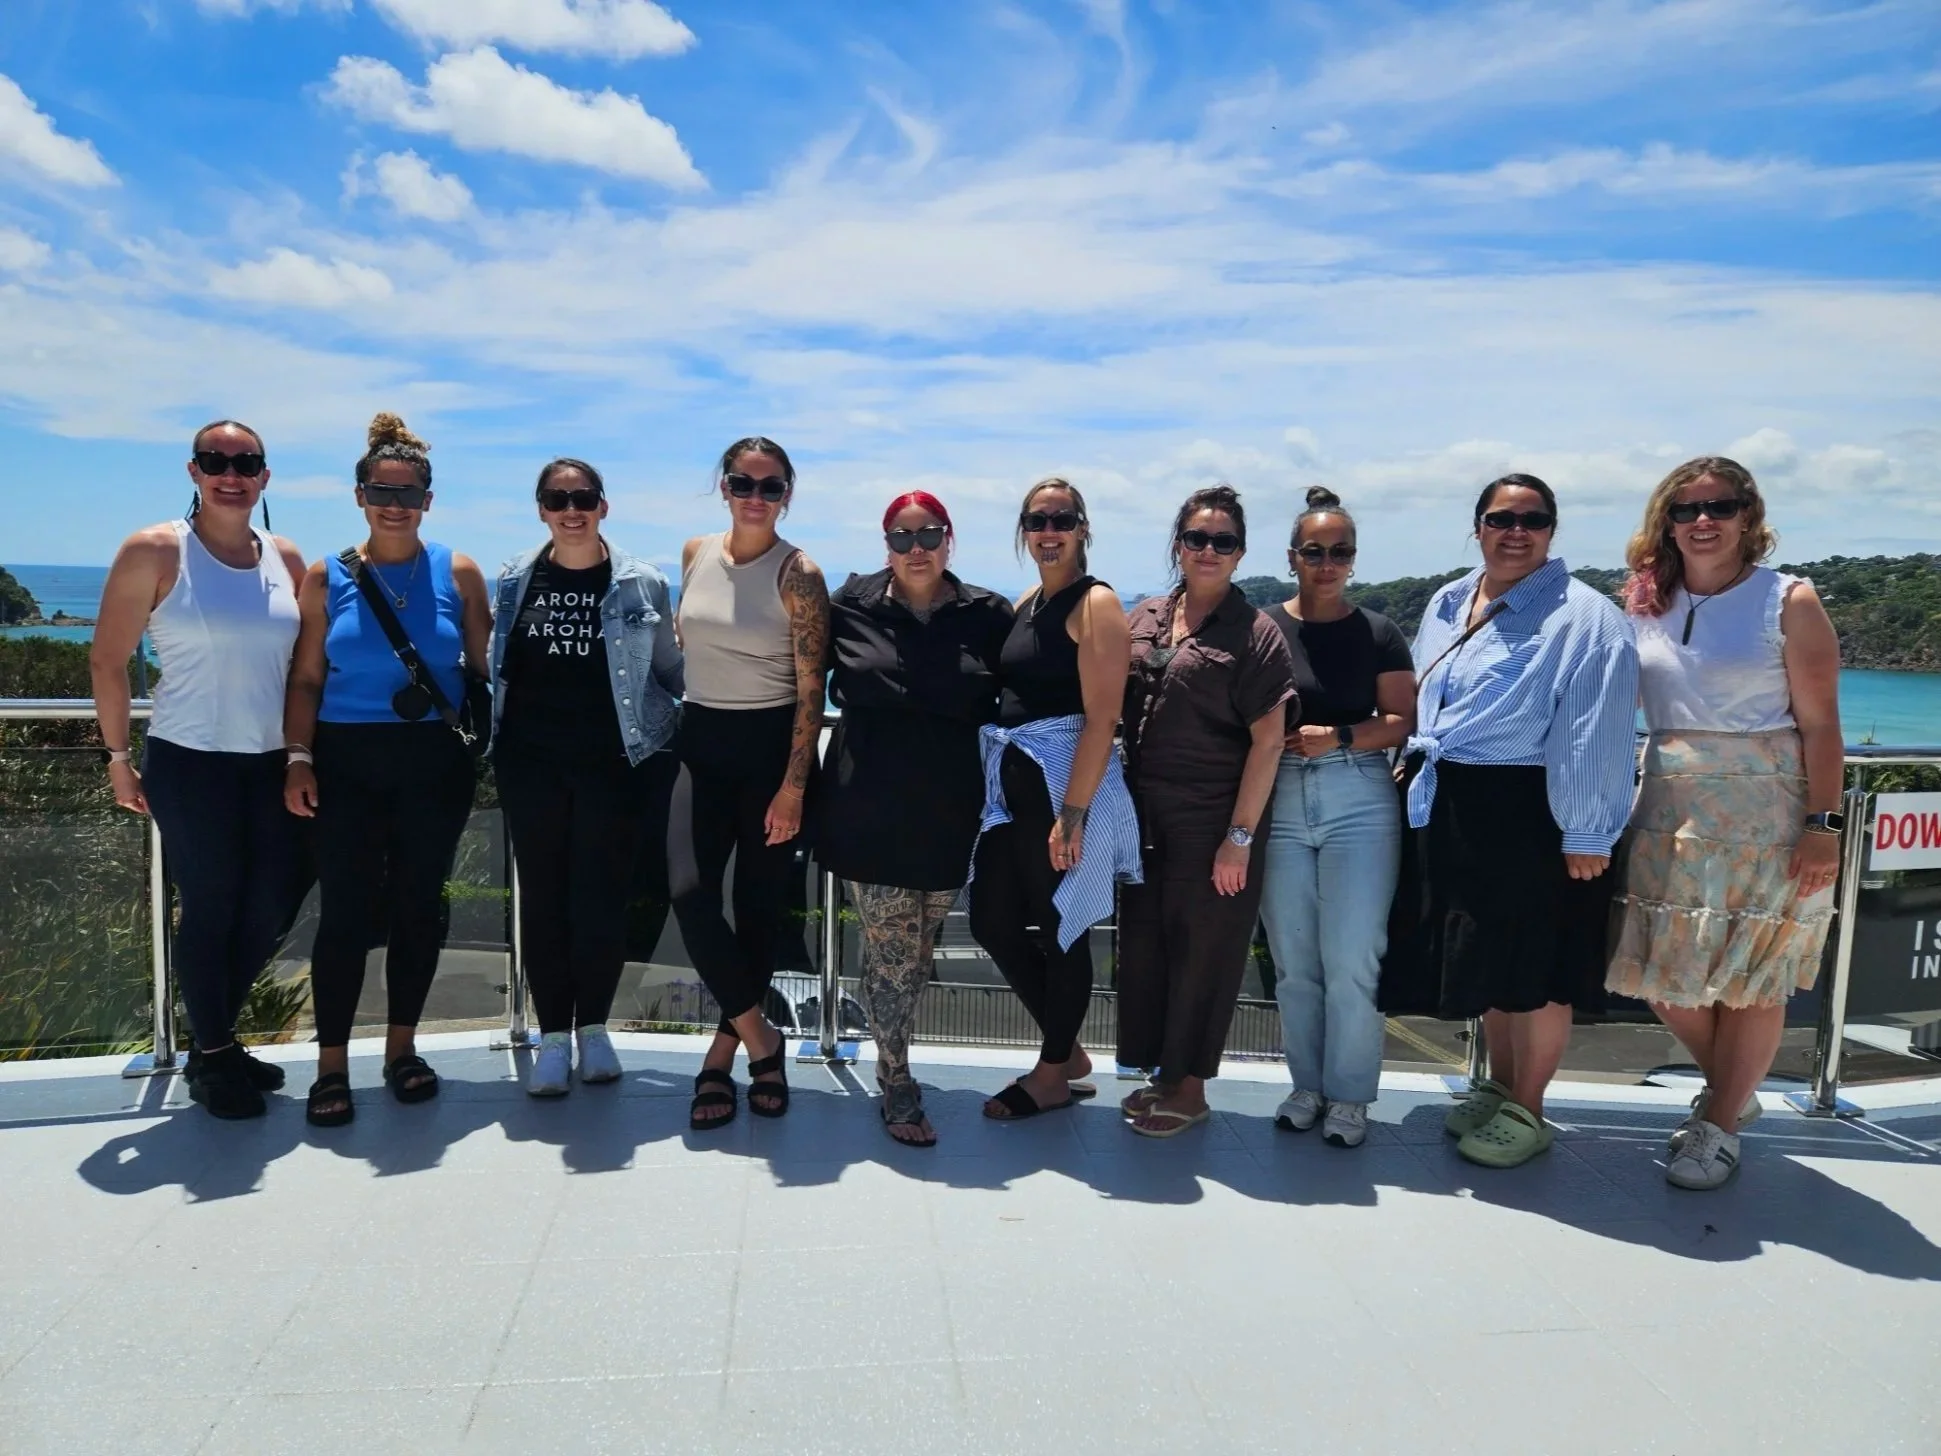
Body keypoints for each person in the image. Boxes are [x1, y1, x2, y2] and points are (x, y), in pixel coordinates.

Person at [1380, 473, 1639, 1169]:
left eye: (1531, 519)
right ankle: (1496, 1085)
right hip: (1455, 799)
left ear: (1552, 530)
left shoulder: (1586, 618)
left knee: (1538, 963)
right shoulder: (1447, 599)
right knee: (1487, 956)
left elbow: (1596, 731)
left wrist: (1586, 831)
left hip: (1534, 807)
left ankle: (1530, 1103)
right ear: (1478, 526)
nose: (1514, 531)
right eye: (1500, 518)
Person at [1608, 457, 1842, 1189]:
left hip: (1765, 804)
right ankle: (1731, 1095)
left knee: (1752, 976)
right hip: (1667, 801)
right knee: (1662, 973)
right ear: (1665, 521)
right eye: (1685, 509)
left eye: (1719, 505)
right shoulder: (1645, 600)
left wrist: (1822, 824)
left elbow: (1822, 724)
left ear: (1748, 516)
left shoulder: (1788, 599)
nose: (1702, 520)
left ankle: (1719, 1124)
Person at [91, 421, 308, 1119]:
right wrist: (119, 758)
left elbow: (309, 666)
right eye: (216, 460)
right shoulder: (155, 550)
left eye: (245, 462)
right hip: (191, 763)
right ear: (193, 470)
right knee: (212, 908)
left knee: (269, 907)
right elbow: (108, 660)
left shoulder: (284, 556)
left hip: (272, 764)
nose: (230, 472)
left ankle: (213, 1040)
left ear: (265, 477)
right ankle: (213, 1056)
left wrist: (307, 755)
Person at [283, 413, 492, 1127]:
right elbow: (306, 680)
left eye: (407, 493)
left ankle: (402, 1049)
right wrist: (298, 758)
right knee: (343, 911)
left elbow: (486, 672)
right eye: (381, 491)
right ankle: (331, 1065)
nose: (394, 505)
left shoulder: (458, 572)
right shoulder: (326, 575)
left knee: (417, 905)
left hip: (433, 761)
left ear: (428, 499)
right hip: (343, 759)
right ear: (359, 495)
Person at [818, 492, 1014, 1146]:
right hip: (866, 804)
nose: (916, 548)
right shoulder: (848, 604)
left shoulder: (986, 613)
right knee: (893, 951)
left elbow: (1022, 694)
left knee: (919, 949)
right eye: (901, 538)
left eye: (928, 534)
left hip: (949, 807)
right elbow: (794, 678)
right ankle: (896, 1080)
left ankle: (891, 1056)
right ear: (885, 545)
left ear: (949, 538)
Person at [491, 459, 684, 1097]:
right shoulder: (516, 580)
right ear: (541, 507)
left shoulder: (642, 583)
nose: (571, 509)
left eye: (584, 498)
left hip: (615, 765)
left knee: (601, 899)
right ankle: (552, 1037)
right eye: (557, 498)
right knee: (545, 898)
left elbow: (669, 672)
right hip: (531, 764)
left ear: (604, 505)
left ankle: (593, 1030)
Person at [1116, 486, 1295, 1137]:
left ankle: (1190, 1089)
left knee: (1205, 955)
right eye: (1196, 538)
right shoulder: (1147, 616)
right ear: (1177, 545)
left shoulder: (1256, 634)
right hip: (1144, 820)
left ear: (1240, 552)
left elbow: (1269, 740)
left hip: (1214, 820)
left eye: (1222, 541)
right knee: (1149, 949)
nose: (1208, 550)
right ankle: (1163, 1076)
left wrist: (1238, 839)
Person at [969, 477, 1138, 1120]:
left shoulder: (1096, 603)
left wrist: (1073, 815)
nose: (1049, 531)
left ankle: (1050, 1073)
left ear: (1082, 529)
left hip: (1061, 790)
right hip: (1014, 792)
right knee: (990, 918)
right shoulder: (1029, 600)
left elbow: (1101, 718)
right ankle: (1066, 1050)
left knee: (1064, 928)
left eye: (1061, 519)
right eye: (1037, 520)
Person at [672, 437, 827, 1129]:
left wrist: (793, 788)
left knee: (759, 910)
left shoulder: (799, 573)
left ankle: (721, 1054)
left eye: (770, 487)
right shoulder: (692, 553)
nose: (755, 497)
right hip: (699, 740)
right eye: (742, 483)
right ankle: (764, 1038)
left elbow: (810, 689)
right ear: (724, 486)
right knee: (689, 893)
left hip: (772, 751)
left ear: (786, 495)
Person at [1257, 487, 1416, 1149]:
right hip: (1281, 793)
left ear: (1352, 559)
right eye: (1314, 551)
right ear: (1293, 556)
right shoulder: (1262, 629)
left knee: (1352, 956)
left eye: (1339, 552)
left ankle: (1348, 1095)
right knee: (1294, 958)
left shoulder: (1377, 631)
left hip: (1358, 796)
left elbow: (1402, 722)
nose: (1326, 562)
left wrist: (1342, 738)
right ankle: (1306, 1085)